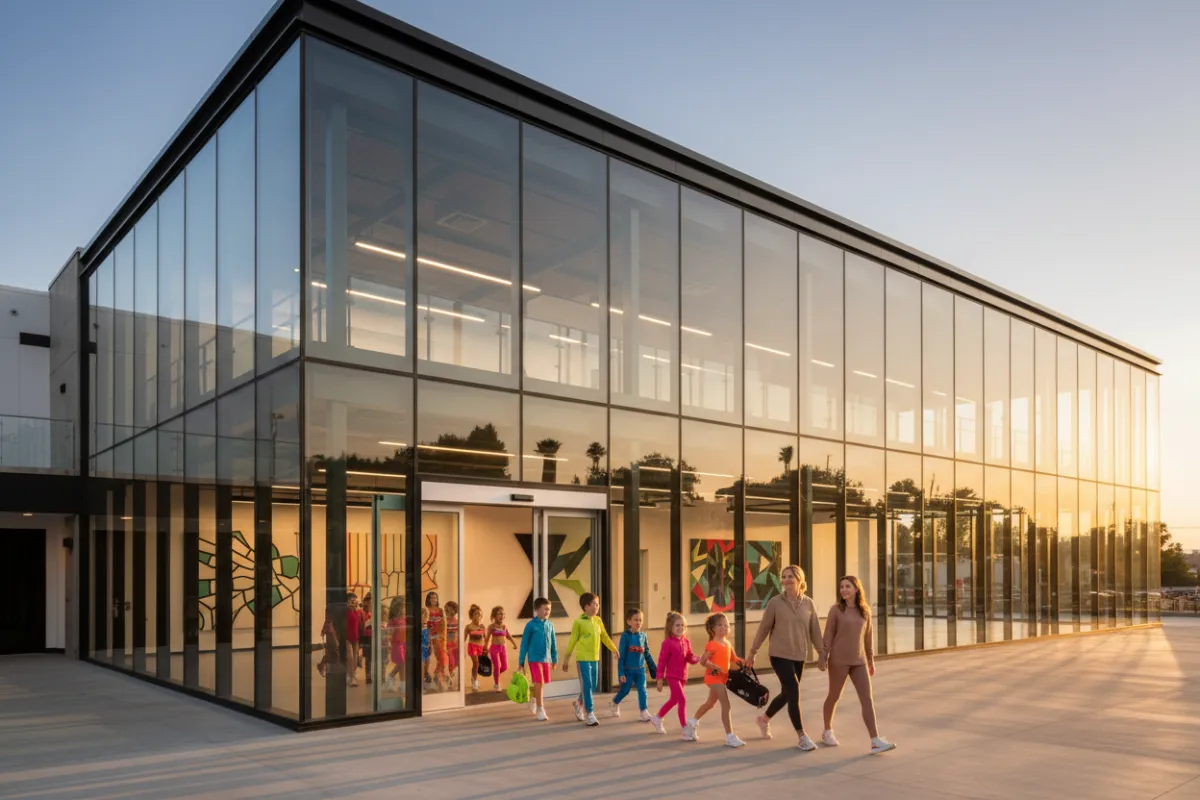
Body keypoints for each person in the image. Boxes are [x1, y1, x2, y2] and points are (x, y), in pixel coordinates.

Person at [747, 564, 825, 751]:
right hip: (779, 655)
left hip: (799, 655)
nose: (786, 579)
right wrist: (753, 652)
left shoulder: (808, 603)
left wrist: (822, 653)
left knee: (787, 694)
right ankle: (802, 736)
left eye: (790, 576)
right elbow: (763, 628)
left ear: (800, 579)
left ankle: (763, 719)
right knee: (794, 692)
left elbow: (815, 630)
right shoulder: (775, 602)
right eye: (784, 576)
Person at [820, 575, 896, 755]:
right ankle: (827, 730)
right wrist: (823, 656)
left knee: (867, 700)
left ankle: (875, 740)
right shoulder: (836, 610)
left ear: (856, 589)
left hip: (859, 661)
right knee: (834, 696)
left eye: (847, 586)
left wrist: (871, 661)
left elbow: (868, 639)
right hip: (839, 660)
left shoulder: (865, 611)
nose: (844, 590)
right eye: (841, 587)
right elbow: (828, 635)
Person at [690, 612, 746, 748]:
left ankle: (692, 722)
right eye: (720, 625)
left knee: (710, 703)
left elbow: (734, 659)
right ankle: (730, 736)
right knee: (726, 705)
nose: (724, 628)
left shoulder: (727, 643)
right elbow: (703, 661)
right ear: (712, 628)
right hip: (713, 677)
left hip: (722, 678)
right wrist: (713, 666)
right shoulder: (712, 644)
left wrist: (745, 662)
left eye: (726, 625)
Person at [562, 592, 618, 727]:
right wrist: (566, 659)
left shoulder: (598, 620)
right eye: (594, 604)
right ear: (586, 606)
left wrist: (614, 649)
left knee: (592, 685)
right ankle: (590, 714)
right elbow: (572, 641)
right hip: (583, 659)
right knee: (587, 685)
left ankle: (578, 703)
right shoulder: (579, 622)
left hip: (595, 658)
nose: (597, 607)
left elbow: (604, 636)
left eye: (598, 604)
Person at [651, 611, 700, 740]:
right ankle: (685, 728)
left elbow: (689, 656)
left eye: (682, 625)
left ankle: (657, 718)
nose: (680, 628)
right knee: (682, 700)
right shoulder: (667, 643)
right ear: (670, 628)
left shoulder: (686, 642)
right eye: (677, 625)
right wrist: (659, 679)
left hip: (683, 676)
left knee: (674, 700)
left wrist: (696, 659)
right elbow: (662, 662)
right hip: (672, 676)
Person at [610, 607, 657, 722]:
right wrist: (621, 672)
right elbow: (622, 656)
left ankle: (643, 711)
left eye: (640, 620)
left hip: (640, 670)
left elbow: (647, 653)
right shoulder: (625, 636)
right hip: (628, 670)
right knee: (625, 690)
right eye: (635, 620)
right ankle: (615, 702)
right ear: (629, 622)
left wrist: (653, 667)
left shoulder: (643, 636)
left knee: (642, 690)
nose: (638, 622)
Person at [517, 597, 558, 721]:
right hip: (534, 659)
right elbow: (524, 644)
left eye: (549, 609)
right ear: (537, 609)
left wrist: (554, 658)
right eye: (545, 609)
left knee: (541, 683)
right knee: (539, 681)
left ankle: (534, 699)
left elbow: (553, 643)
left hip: (546, 659)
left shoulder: (550, 625)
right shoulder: (530, 625)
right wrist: (521, 662)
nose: (547, 612)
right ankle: (541, 708)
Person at [484, 606, 518, 692]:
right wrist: (485, 648)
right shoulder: (491, 626)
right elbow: (487, 638)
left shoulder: (504, 626)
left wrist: (514, 643)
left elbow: (508, 636)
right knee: (497, 666)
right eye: (500, 614)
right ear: (494, 615)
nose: (502, 616)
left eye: (503, 614)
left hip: (503, 647)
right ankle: (497, 684)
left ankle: (496, 674)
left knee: (505, 666)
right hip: (494, 648)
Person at [384, 596, 406, 694]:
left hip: (404, 643)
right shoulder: (393, 620)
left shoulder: (405, 618)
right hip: (397, 644)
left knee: (402, 664)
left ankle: (391, 676)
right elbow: (389, 633)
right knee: (402, 663)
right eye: (403, 606)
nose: (404, 608)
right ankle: (402, 684)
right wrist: (388, 642)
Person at [463, 604, 487, 692]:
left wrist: (486, 648)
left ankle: (473, 678)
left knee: (476, 665)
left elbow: (486, 638)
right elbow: (464, 639)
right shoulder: (468, 627)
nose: (478, 616)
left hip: (480, 647)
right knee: (476, 662)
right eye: (476, 614)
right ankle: (475, 681)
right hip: (472, 646)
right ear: (472, 615)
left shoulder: (482, 627)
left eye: (480, 615)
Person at [345, 592, 363, 688]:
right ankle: (352, 678)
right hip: (346, 637)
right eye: (352, 600)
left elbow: (360, 624)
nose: (354, 602)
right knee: (350, 657)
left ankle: (351, 674)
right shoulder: (344, 611)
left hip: (355, 638)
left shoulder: (357, 612)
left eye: (355, 600)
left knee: (355, 658)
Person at [445, 601, 460, 685]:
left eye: (448, 609)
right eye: (445, 609)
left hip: (455, 645)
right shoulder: (445, 621)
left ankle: (449, 673)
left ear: (454, 610)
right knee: (450, 662)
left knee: (456, 662)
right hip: (448, 645)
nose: (446, 611)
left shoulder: (457, 621)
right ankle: (448, 678)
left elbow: (458, 634)